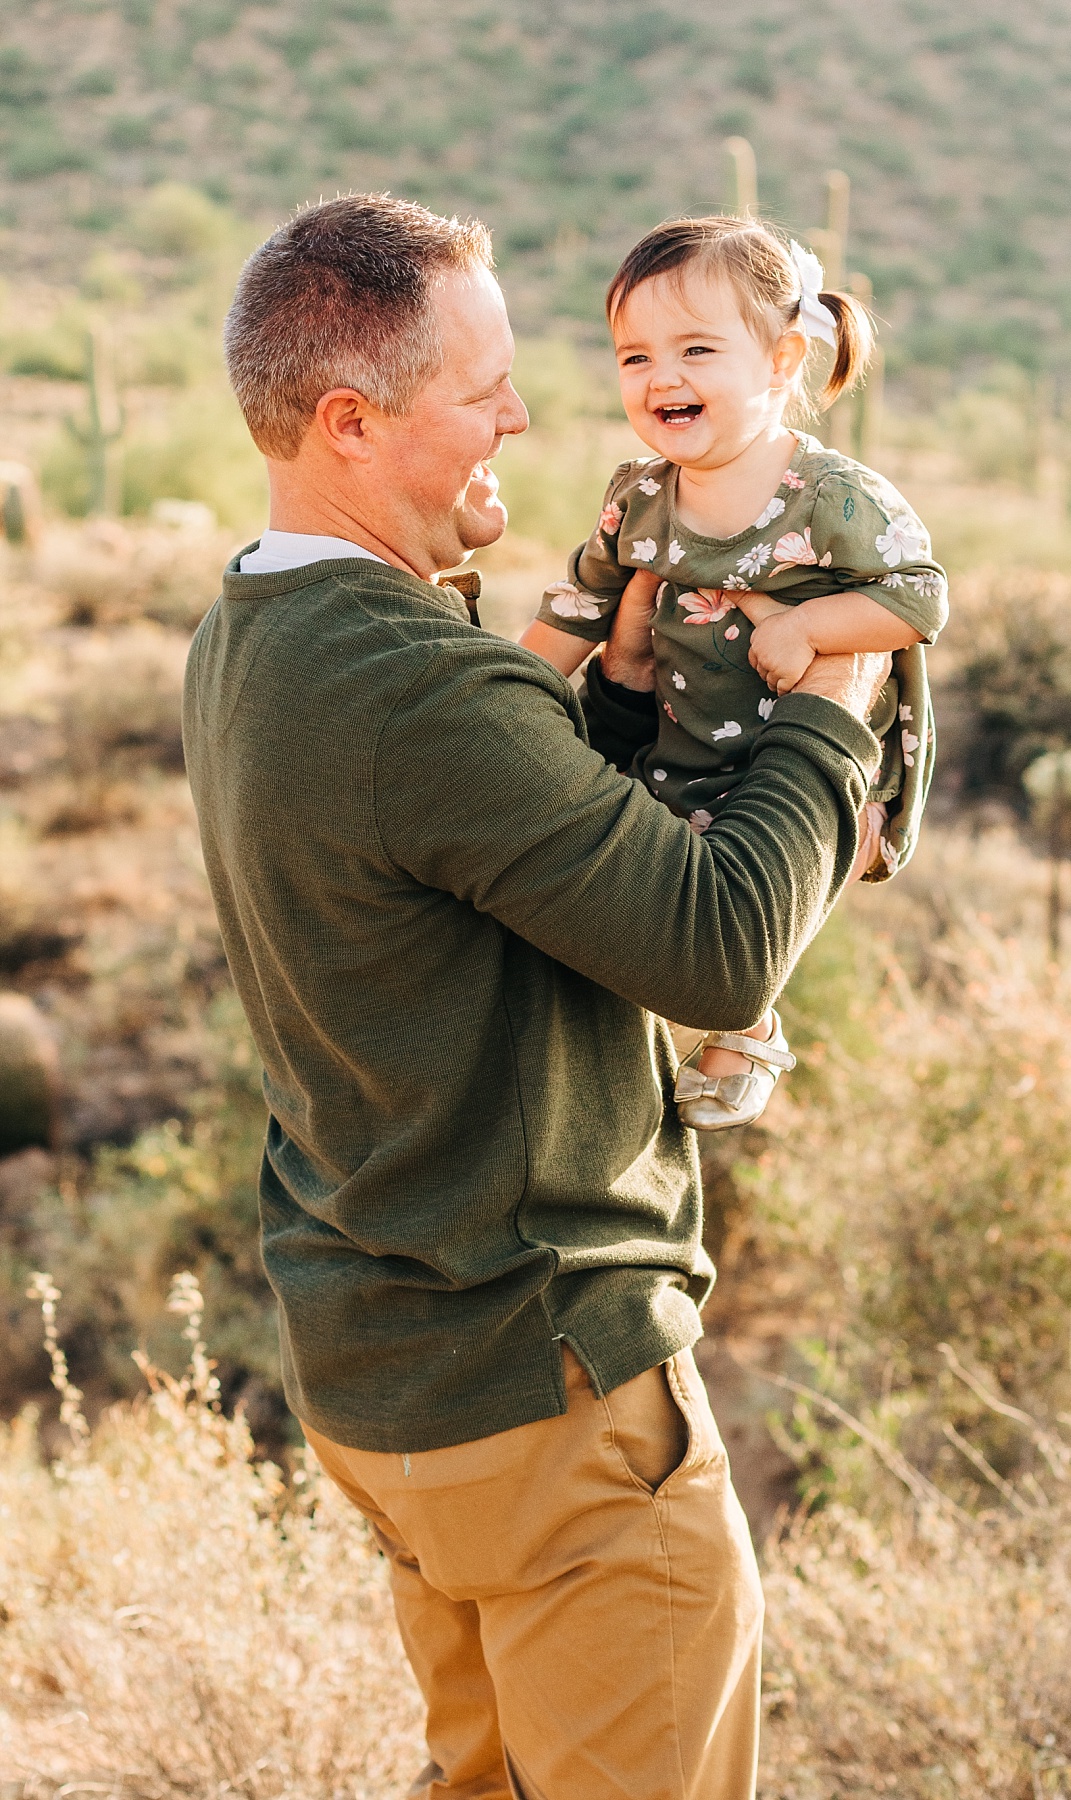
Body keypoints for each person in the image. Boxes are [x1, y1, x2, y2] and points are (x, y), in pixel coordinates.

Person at [182, 191, 890, 1800]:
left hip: (392, 1382)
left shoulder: (254, 630)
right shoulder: (419, 684)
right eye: (479, 388)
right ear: (351, 422)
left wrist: (609, 712)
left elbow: (473, 856)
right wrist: (836, 704)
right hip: (550, 1384)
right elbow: (717, 944)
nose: (522, 412)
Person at [521, 216, 948, 1131]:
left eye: (696, 349)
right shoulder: (637, 497)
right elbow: (580, 606)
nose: (661, 377)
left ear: (783, 359)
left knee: (760, 882)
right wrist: (503, 697)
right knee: (658, 892)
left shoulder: (834, 497)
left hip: (814, 754)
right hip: (686, 744)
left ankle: (746, 1026)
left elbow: (919, 599)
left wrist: (818, 626)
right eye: (634, 357)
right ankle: (702, 1021)